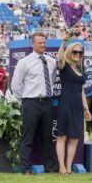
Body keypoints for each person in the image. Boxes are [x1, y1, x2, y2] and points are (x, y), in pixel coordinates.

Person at [11, 32, 57, 174]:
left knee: (47, 137)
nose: (43, 45)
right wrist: (23, 101)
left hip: (47, 102)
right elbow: (15, 85)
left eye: (44, 42)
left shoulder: (51, 61)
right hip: (30, 103)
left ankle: (50, 167)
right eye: (40, 42)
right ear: (33, 44)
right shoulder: (24, 62)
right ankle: (25, 168)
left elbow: (53, 78)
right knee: (28, 137)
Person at [56, 37, 92, 175]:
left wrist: (86, 109)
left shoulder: (81, 69)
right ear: (69, 52)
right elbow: (60, 57)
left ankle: (69, 167)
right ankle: (61, 167)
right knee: (62, 136)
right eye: (75, 52)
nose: (77, 55)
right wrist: (63, 43)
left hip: (77, 106)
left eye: (80, 53)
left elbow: (81, 90)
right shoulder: (64, 65)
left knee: (74, 138)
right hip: (65, 104)